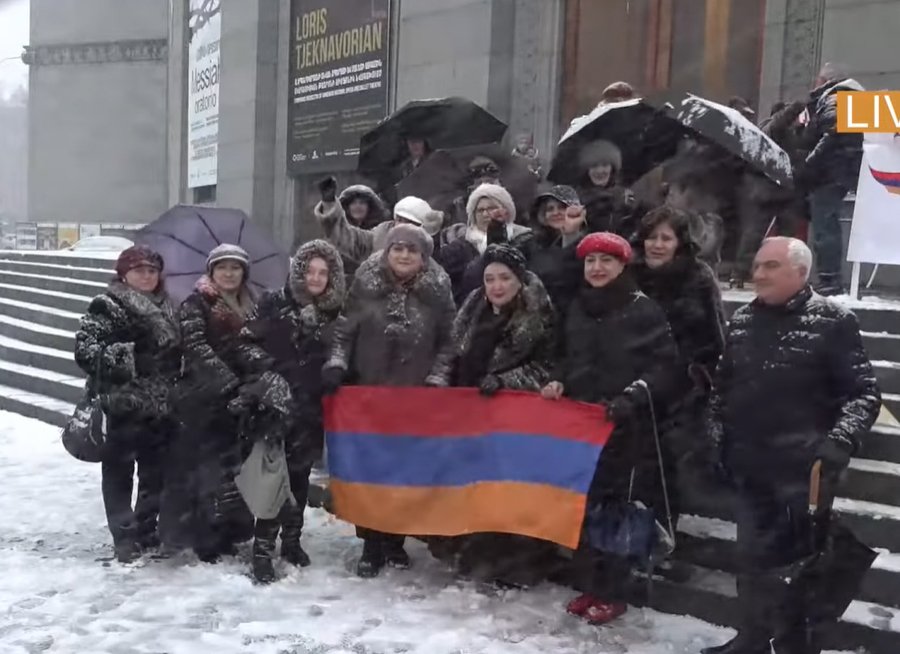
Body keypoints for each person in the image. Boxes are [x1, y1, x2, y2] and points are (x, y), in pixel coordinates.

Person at [704, 237, 881, 654]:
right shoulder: (744, 319)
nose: (758, 274)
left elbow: (864, 393)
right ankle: (751, 638)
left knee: (799, 573)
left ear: (800, 273)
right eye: (757, 266)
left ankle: (794, 647)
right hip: (750, 466)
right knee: (751, 563)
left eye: (770, 266)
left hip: (804, 474)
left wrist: (840, 440)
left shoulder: (833, 321)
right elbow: (722, 388)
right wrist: (715, 435)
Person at [541, 232, 678, 626]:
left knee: (616, 513)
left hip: (625, 429)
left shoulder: (644, 310)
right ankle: (590, 583)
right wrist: (558, 380)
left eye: (606, 261)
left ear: (622, 266)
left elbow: (665, 367)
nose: (597, 268)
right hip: (582, 426)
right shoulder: (578, 307)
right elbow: (564, 355)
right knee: (584, 508)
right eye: (590, 261)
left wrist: (631, 397)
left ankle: (615, 592)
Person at [322, 224, 456, 578]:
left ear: (423, 256)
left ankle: (395, 538)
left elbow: (449, 340)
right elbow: (344, 330)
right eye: (398, 248)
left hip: (414, 396)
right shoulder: (365, 283)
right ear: (387, 251)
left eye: (412, 250)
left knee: (403, 472)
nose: (404, 255)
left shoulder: (439, 290)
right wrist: (337, 364)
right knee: (370, 471)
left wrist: (438, 377)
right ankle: (371, 542)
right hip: (370, 393)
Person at [232, 240, 346, 583]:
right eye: (310, 270)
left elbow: (342, 352)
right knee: (274, 479)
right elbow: (244, 342)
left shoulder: (336, 313)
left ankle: (292, 542)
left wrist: (335, 369)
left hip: (311, 407)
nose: (316, 278)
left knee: (299, 477)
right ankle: (263, 550)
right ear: (298, 271)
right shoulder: (273, 302)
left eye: (323, 272)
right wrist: (269, 368)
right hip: (276, 404)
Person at [447, 243, 557, 586]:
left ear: (520, 279)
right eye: (490, 278)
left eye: (505, 278)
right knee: (479, 484)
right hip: (473, 413)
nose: (497, 286)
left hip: (517, 418)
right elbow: (455, 353)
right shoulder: (473, 309)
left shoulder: (539, 314)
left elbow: (548, 366)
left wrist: (505, 380)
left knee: (514, 489)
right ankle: (480, 550)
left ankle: (520, 561)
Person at [74, 245, 181, 563]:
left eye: (152, 270)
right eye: (139, 270)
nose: (146, 276)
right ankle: (123, 536)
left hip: (160, 404)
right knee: (119, 474)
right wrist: (129, 355)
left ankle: (146, 529)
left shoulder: (169, 307)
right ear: (124, 274)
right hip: (121, 405)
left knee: (154, 474)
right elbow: (85, 352)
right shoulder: (106, 305)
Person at [631, 206, 727, 519]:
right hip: (632, 384)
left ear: (679, 242)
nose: (657, 245)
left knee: (665, 472)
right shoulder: (629, 274)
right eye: (652, 237)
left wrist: (693, 378)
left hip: (678, 392)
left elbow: (715, 338)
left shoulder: (698, 277)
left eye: (666, 238)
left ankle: (663, 530)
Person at [176, 244, 257, 562]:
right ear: (211, 271)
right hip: (205, 400)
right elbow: (195, 346)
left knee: (231, 472)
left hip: (239, 402)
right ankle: (205, 538)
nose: (229, 273)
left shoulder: (251, 304)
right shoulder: (197, 302)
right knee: (207, 473)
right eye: (222, 267)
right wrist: (229, 381)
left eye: (235, 268)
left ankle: (228, 532)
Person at [797, 63, 865, 295]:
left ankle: (830, 279)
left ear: (826, 80)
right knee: (826, 225)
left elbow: (832, 135)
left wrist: (809, 162)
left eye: (818, 78)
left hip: (828, 173)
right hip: (837, 173)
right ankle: (829, 277)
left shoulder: (835, 98)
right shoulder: (849, 98)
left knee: (825, 226)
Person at [316, 178, 443, 269]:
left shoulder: (432, 252)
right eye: (399, 219)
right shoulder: (379, 235)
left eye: (410, 222)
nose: (402, 225)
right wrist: (329, 203)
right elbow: (346, 237)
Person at [437, 182, 531, 306]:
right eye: (480, 210)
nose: (486, 214)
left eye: (492, 208)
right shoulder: (457, 248)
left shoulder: (526, 240)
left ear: (506, 211)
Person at [513, 185, 587, 316]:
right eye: (550, 209)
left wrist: (570, 235)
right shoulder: (530, 245)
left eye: (562, 207)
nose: (555, 212)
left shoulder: (588, 243)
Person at [576, 140, 638, 236]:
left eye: (605, 165)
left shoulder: (625, 196)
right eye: (594, 166)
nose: (600, 171)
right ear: (587, 169)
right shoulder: (577, 199)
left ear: (612, 168)